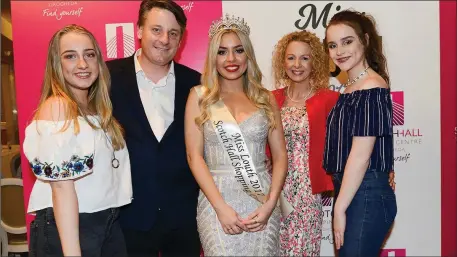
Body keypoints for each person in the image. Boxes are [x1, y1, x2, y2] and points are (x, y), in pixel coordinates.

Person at [184, 14, 288, 256]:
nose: (231, 59)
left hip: (260, 201)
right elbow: (194, 157)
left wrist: (271, 204)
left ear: (248, 54)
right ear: (213, 57)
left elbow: (281, 156)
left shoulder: (266, 99)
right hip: (216, 200)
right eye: (222, 52)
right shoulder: (199, 97)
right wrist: (221, 208)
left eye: (238, 50)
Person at [24, 24, 132, 257]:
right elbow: (62, 188)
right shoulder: (58, 108)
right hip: (70, 230)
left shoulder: (97, 109)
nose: (82, 64)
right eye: (70, 56)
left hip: (106, 223)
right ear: (57, 64)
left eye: (89, 55)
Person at [106, 0, 202, 256]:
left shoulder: (196, 84)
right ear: (139, 30)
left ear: (181, 39)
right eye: (156, 30)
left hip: (184, 222)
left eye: (173, 33)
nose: (164, 39)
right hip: (128, 220)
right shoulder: (106, 77)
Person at [323, 9, 397, 257]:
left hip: (365, 193)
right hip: (351, 191)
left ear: (365, 40)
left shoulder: (372, 86)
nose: (339, 51)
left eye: (347, 41)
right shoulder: (349, 89)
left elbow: (361, 156)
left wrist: (339, 209)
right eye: (333, 45)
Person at [269, 30, 339, 256]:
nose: (297, 64)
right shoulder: (270, 98)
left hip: (308, 192)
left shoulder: (329, 99)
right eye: (291, 57)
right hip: (273, 189)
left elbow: (349, 145)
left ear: (315, 62)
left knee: (303, 249)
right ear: (283, 61)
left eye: (304, 58)